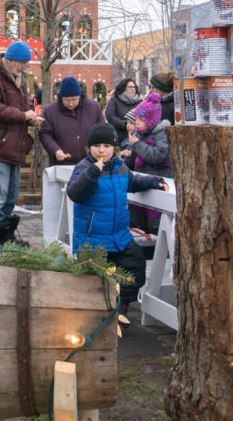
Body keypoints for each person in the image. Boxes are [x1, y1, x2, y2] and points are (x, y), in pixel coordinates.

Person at [66, 123, 168, 320]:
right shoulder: (84, 168)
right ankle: (96, 316)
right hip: (92, 238)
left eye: (106, 145)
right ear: (89, 148)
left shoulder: (120, 168)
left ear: (115, 149)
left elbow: (133, 182)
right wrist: (91, 174)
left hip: (119, 236)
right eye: (96, 146)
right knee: (95, 280)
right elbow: (75, 193)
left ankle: (122, 306)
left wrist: (154, 181)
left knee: (136, 264)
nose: (101, 150)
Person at [0, 40, 44, 248]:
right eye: (23, 64)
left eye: (27, 64)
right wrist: (23, 115)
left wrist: (30, 117)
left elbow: (22, 108)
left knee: (10, 197)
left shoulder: (19, 79)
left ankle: (6, 238)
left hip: (13, 145)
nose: (26, 68)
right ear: (11, 60)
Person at [120, 94, 172, 233]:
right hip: (141, 183)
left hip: (157, 184)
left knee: (155, 223)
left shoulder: (162, 135)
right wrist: (129, 154)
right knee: (138, 222)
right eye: (136, 119)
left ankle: (157, 250)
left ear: (151, 121)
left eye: (140, 120)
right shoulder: (139, 134)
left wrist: (137, 146)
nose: (136, 123)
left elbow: (159, 156)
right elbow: (135, 155)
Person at [39, 76, 106, 166]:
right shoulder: (50, 110)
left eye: (74, 100)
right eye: (67, 100)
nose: (71, 104)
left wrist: (97, 148)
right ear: (61, 98)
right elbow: (45, 134)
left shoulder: (93, 107)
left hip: (90, 161)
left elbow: (103, 130)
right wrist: (55, 150)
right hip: (62, 162)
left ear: (80, 96)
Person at [105, 78, 139, 146]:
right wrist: (126, 124)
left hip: (136, 138)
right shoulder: (114, 101)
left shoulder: (138, 102)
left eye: (134, 87)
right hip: (119, 137)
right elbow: (110, 116)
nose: (133, 89)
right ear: (123, 88)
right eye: (130, 87)